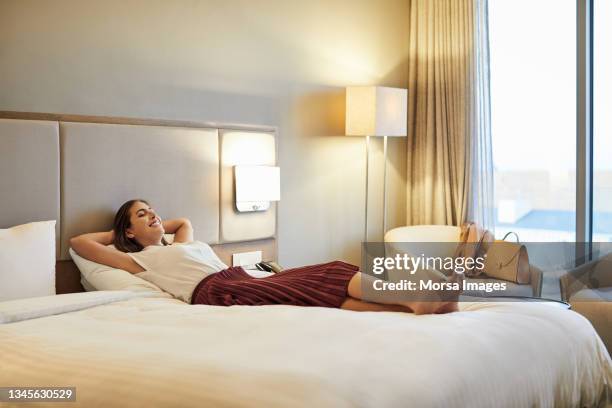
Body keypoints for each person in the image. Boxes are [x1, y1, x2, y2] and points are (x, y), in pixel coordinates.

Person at [71, 199, 458, 315]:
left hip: (238, 278)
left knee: (315, 292)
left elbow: (184, 220)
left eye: (153, 208)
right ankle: (421, 294)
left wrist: (150, 223)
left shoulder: (178, 245)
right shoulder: (140, 261)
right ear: (127, 232)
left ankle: (417, 304)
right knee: (327, 273)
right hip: (217, 292)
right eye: (142, 214)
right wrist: (120, 234)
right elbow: (79, 242)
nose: (154, 215)